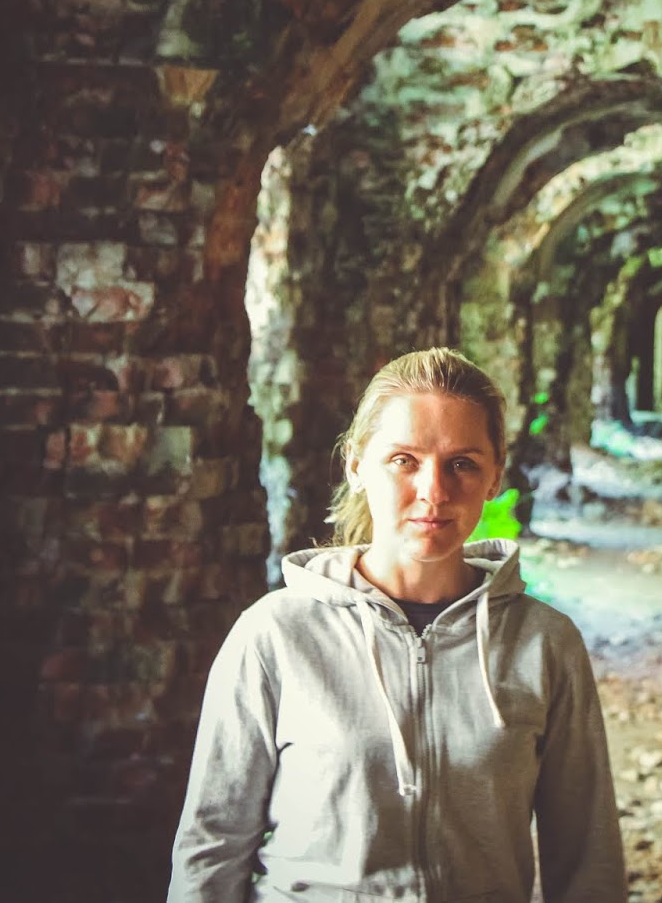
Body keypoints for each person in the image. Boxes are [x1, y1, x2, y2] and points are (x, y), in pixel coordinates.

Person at [168, 347, 625, 902]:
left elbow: (587, 860)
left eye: (462, 463)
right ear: (356, 465)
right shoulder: (274, 635)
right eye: (404, 460)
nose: (434, 490)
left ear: (494, 474)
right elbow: (212, 847)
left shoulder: (544, 644)